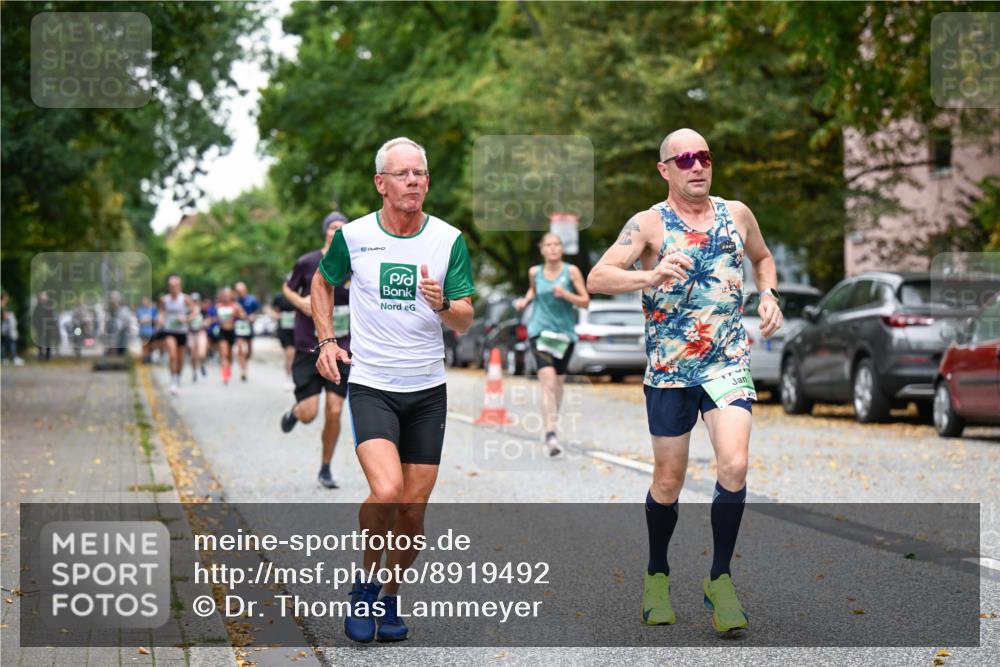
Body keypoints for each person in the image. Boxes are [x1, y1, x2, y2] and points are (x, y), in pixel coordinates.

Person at [587, 128, 783, 635]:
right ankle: (657, 574)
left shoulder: (736, 214)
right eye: (686, 159)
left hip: (726, 364)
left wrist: (770, 295)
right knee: (668, 481)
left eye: (705, 157)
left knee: (735, 465)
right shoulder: (648, 224)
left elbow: (762, 258)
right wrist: (648, 277)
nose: (698, 166)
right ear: (666, 169)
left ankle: (720, 579)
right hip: (670, 372)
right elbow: (597, 277)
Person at [312, 137, 475, 643]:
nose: (413, 182)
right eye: (402, 174)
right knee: (386, 492)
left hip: (427, 390)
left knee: (411, 510)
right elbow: (323, 284)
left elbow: (466, 320)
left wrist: (441, 302)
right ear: (381, 183)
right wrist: (325, 341)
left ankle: (388, 594)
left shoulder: (448, 240)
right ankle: (364, 583)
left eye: (420, 174)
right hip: (373, 385)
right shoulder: (355, 236)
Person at [279, 212, 352, 490]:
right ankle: (295, 413)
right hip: (308, 346)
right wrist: (301, 303)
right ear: (326, 232)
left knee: (334, 411)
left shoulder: (354, 263)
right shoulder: (308, 262)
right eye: (334, 227)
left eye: (343, 228)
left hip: (342, 348)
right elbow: (287, 289)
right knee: (310, 413)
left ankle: (325, 468)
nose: (338, 232)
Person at [514, 233, 590, 456]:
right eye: (549, 245)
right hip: (540, 332)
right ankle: (550, 433)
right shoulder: (534, 272)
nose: (553, 248)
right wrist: (525, 300)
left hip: (564, 334)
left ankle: (551, 423)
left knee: (557, 384)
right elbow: (534, 290)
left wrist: (566, 294)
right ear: (542, 249)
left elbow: (585, 301)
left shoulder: (571, 271)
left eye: (557, 244)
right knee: (547, 381)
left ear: (561, 248)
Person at [157, 276, 197, 395]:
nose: (173, 288)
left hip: (182, 331)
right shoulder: (165, 299)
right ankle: (173, 381)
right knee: (172, 355)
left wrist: (186, 319)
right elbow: (162, 312)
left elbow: (194, 311)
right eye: (171, 286)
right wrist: (160, 319)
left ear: (179, 286)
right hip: (169, 330)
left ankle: (178, 377)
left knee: (180, 359)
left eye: (175, 286)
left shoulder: (185, 299)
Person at [211, 287, 246, 385]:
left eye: (228, 295)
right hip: (223, 331)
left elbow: (243, 315)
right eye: (224, 295)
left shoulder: (236, 306)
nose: (226, 297)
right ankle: (225, 376)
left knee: (231, 354)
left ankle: (231, 368)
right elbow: (214, 318)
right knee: (224, 354)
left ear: (231, 296)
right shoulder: (218, 306)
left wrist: (238, 314)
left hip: (233, 331)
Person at [272, 282, 298, 391]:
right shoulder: (279, 297)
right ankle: (289, 378)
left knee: (295, 355)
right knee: (290, 353)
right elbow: (270, 309)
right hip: (284, 330)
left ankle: (293, 377)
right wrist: (276, 315)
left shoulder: (298, 295)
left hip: (297, 329)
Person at [234, 281, 259, 382]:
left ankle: (245, 362)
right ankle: (243, 369)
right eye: (237, 291)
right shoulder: (235, 301)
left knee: (249, 351)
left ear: (245, 290)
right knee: (240, 348)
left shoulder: (252, 299)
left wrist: (253, 316)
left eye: (241, 290)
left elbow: (257, 311)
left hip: (249, 326)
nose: (239, 292)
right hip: (239, 326)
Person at [31, 291, 59, 360]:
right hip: (40, 327)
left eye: (44, 298)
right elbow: (34, 317)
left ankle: (48, 356)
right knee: (40, 341)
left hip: (48, 328)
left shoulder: (50, 307)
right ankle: (40, 354)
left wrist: (53, 327)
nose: (43, 300)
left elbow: (53, 318)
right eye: (42, 298)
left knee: (48, 342)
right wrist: (36, 325)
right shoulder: (38, 307)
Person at [187, 293, 209, 382]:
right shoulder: (188, 311)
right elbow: (185, 320)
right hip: (191, 333)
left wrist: (206, 322)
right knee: (193, 355)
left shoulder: (203, 310)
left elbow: (208, 319)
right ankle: (194, 372)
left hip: (200, 332)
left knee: (201, 353)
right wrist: (193, 314)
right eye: (193, 301)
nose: (195, 302)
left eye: (196, 301)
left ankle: (202, 364)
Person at [1, 291, 24, 365]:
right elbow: (3, 317)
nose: (8, 299)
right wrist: (9, 315)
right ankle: (13, 358)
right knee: (11, 342)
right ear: (4, 297)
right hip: (4, 328)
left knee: (4, 343)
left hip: (5, 328)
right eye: (7, 297)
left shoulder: (4, 306)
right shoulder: (1, 306)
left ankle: (4, 358)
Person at [136, 296, 158, 363]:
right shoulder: (139, 310)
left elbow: (155, 320)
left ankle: (149, 356)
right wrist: (149, 319)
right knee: (145, 346)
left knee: (152, 346)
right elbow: (139, 320)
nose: (144, 302)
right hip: (143, 332)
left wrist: (147, 320)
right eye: (143, 301)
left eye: (146, 301)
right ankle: (145, 358)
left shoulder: (153, 310)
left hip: (152, 332)